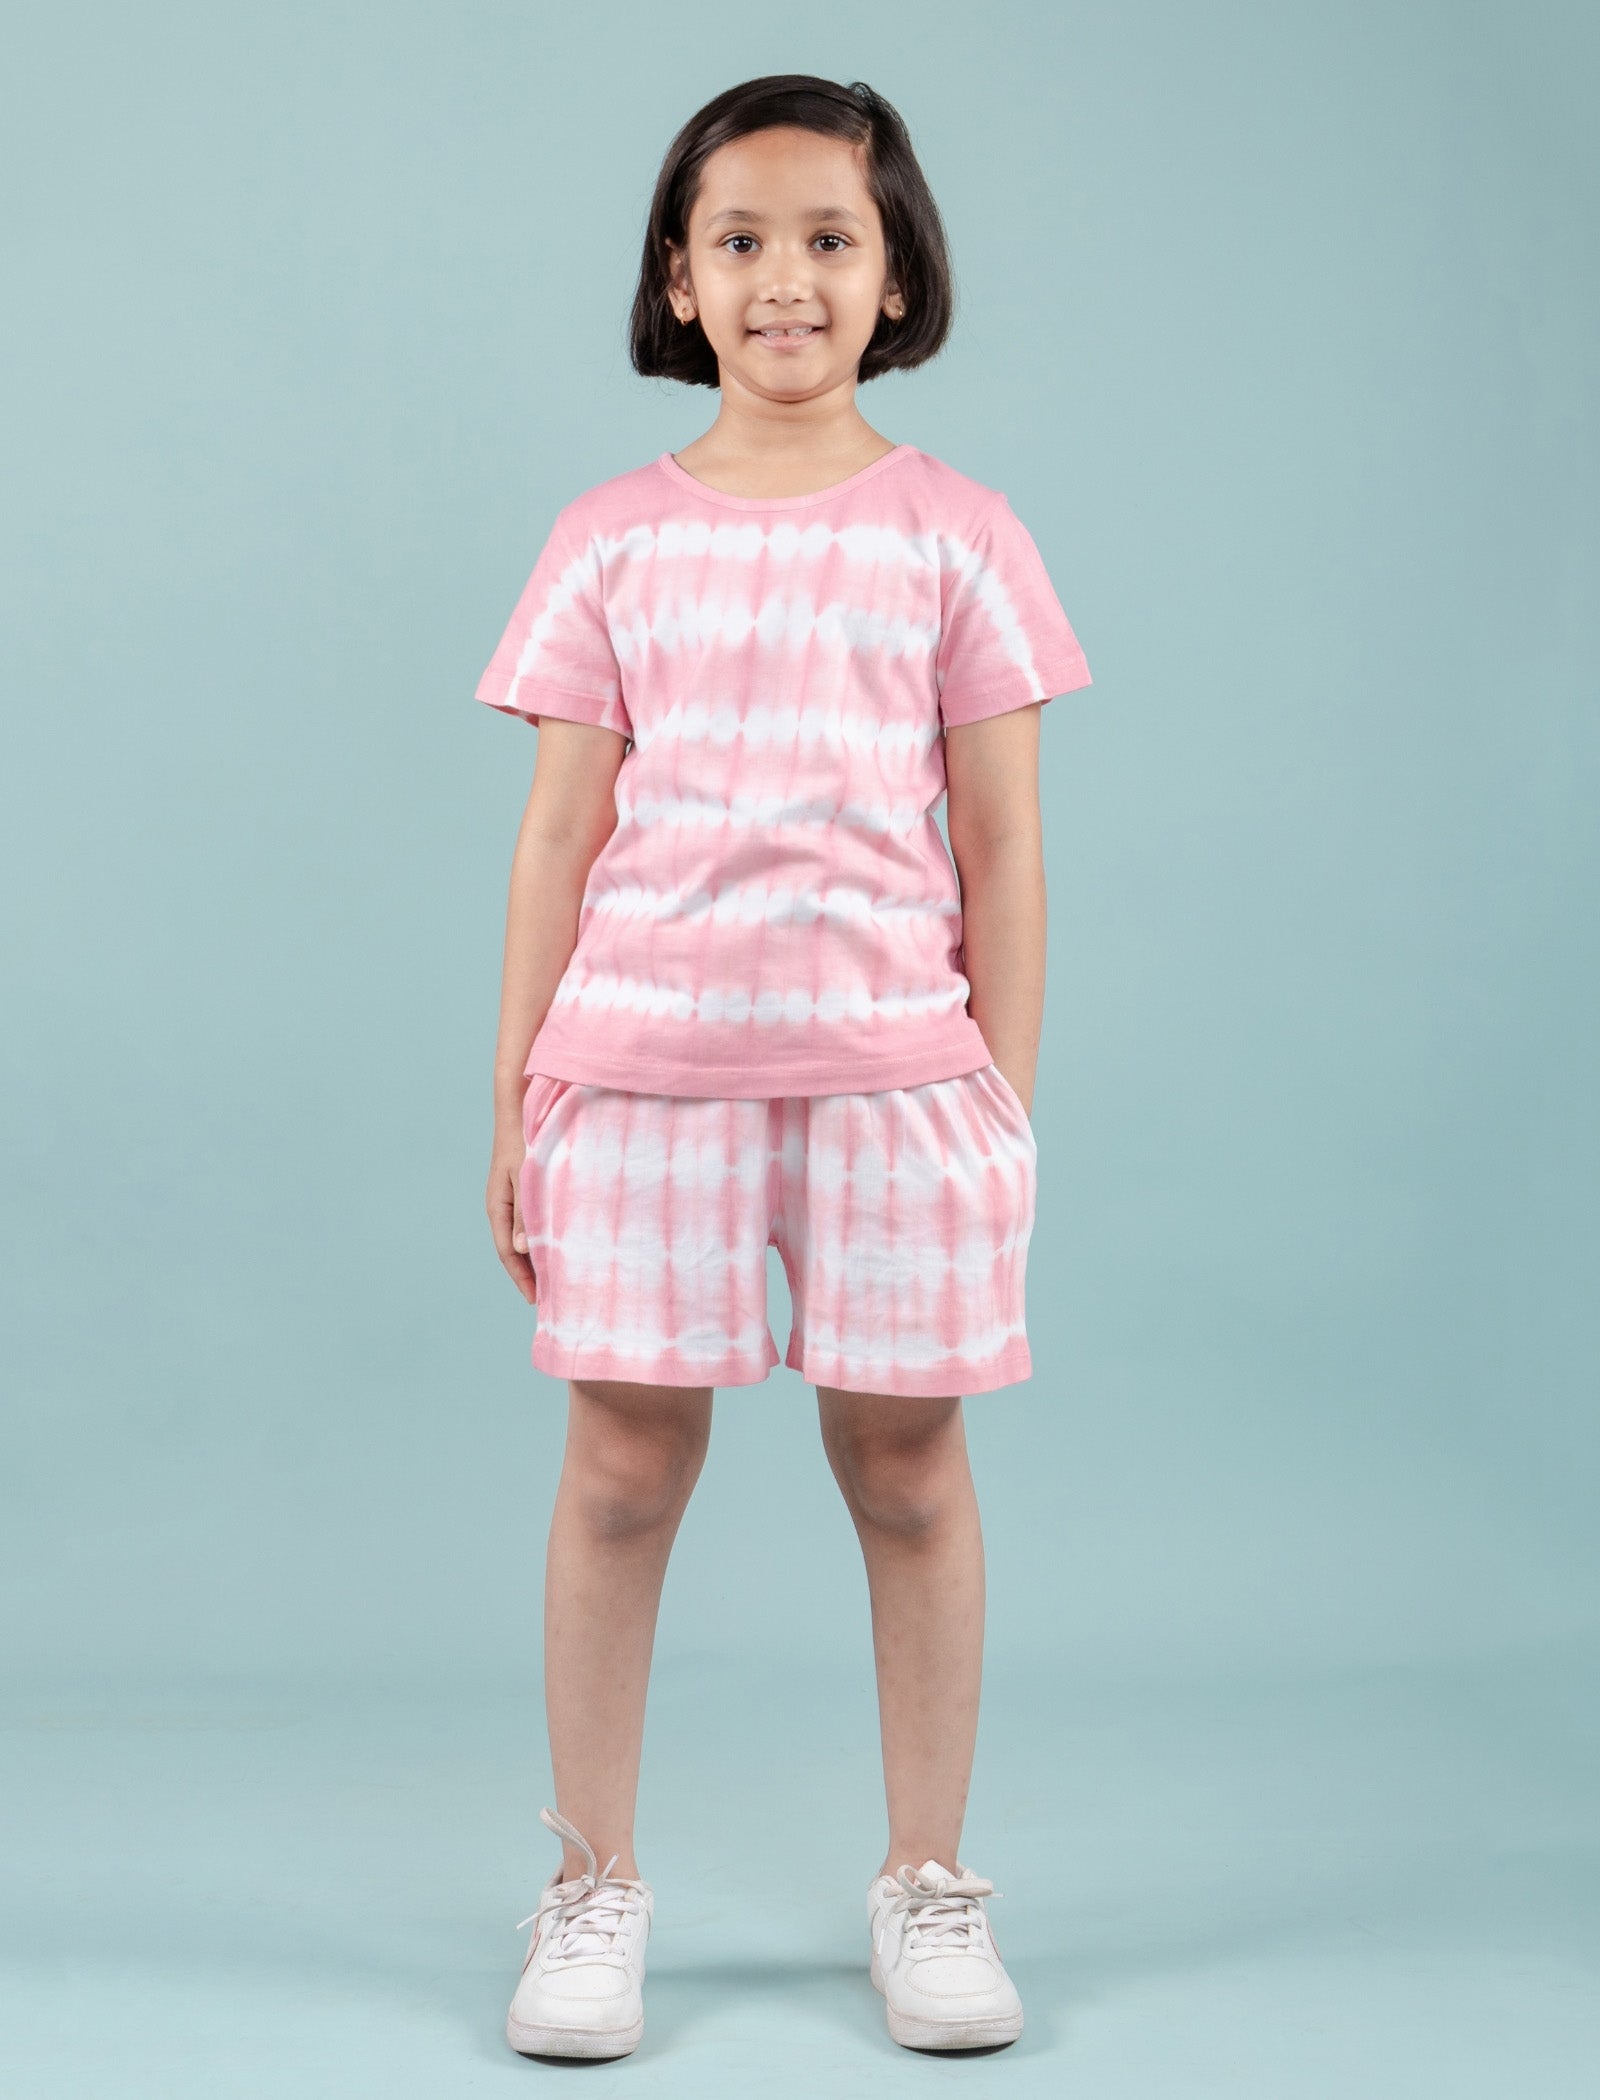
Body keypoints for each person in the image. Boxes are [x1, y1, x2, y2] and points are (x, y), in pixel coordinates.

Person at [476, 73, 1092, 2061]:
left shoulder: (961, 534)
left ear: (894, 273)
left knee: (905, 1471)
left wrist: (996, 1097)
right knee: (620, 1467)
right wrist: (516, 1101)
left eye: (830, 237)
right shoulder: (607, 541)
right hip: (639, 1074)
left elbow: (1001, 843)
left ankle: (929, 1879)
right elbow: (558, 835)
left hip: (896, 1086)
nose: (784, 278)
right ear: (677, 278)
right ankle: (591, 1881)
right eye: (737, 239)